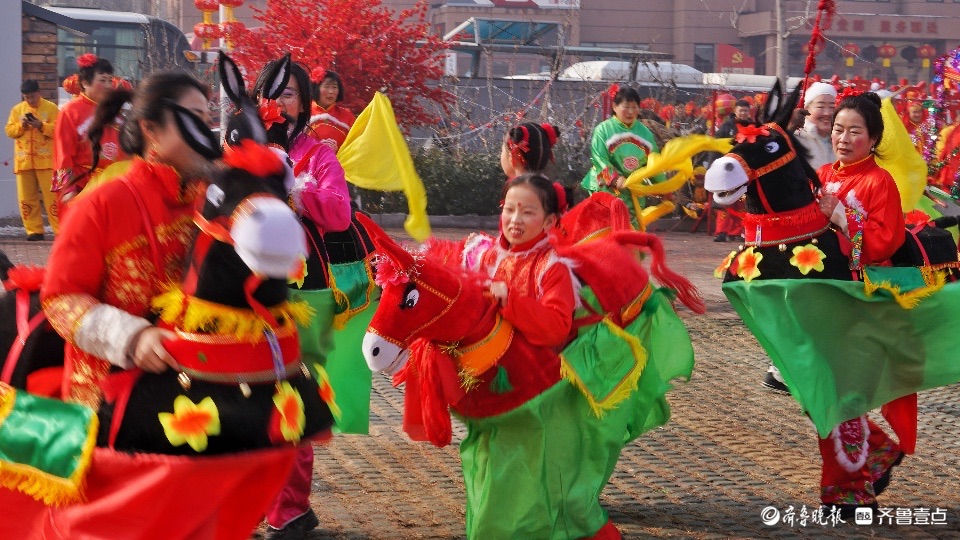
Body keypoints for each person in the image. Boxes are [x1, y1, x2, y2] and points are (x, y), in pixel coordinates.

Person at [253, 57, 352, 540]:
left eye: (289, 93)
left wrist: (296, 196)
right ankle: (250, 500)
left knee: (291, 393)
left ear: (304, 103)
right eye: (271, 94)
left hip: (302, 290)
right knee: (246, 392)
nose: (279, 103)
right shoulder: (241, 149)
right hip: (245, 291)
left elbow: (339, 212)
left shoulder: (319, 155)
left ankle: (289, 507)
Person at [813, 91, 906, 518]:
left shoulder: (879, 182)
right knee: (817, 391)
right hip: (820, 298)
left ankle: (849, 491)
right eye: (838, 129)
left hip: (858, 301)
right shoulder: (820, 174)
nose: (844, 138)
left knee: (838, 396)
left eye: (855, 131)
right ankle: (878, 449)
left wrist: (839, 216)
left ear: (873, 138)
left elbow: (883, 244)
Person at [582, 86, 665, 229]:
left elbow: (654, 163)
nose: (631, 112)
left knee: (632, 231)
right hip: (606, 189)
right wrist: (615, 178)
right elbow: (600, 159)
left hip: (633, 191)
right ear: (615, 107)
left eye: (634, 107)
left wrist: (664, 187)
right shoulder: (603, 130)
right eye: (626, 107)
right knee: (606, 230)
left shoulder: (645, 133)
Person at [52, 54, 127, 207]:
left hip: (114, 185)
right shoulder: (70, 112)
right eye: (102, 80)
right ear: (85, 83)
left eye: (110, 80)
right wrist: (68, 189)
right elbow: (63, 153)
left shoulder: (115, 112)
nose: (108, 86)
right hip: (84, 186)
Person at [5, 79, 59, 240]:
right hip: (24, 161)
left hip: (46, 160)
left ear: (39, 93)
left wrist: (41, 126)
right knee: (27, 198)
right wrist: (21, 125)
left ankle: (61, 230)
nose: (30, 100)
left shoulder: (51, 108)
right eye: (26, 97)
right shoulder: (17, 110)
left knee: (52, 197)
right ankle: (34, 231)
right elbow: (9, 131)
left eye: (32, 96)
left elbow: (59, 129)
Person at [308, 68, 355, 152]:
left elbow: (355, 146)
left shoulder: (347, 117)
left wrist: (337, 152)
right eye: (326, 86)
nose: (331, 92)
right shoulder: (303, 112)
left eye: (334, 87)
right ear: (316, 88)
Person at [795, 81, 837, 170]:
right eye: (820, 107)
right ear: (807, 109)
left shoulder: (842, 140)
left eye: (832, 107)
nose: (827, 113)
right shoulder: (797, 138)